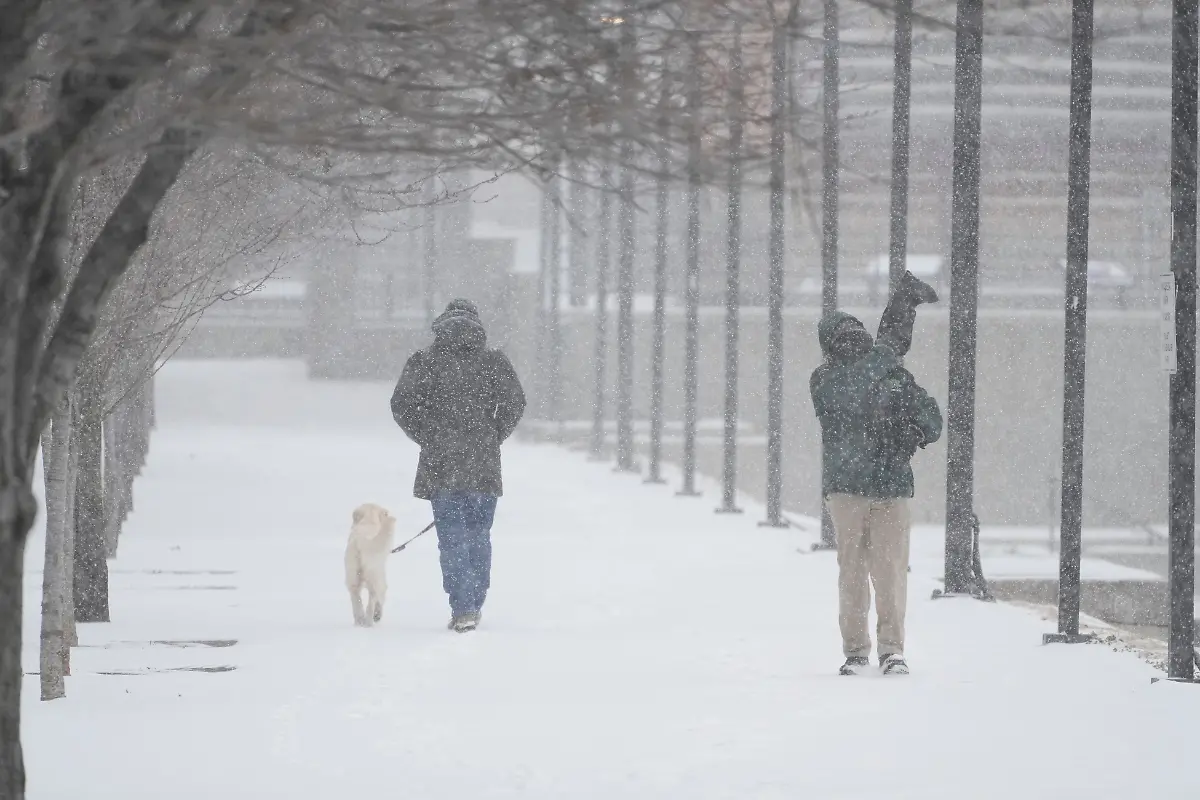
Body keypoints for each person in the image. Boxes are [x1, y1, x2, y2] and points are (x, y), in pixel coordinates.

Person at [810, 271, 943, 676]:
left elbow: (931, 421)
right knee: (879, 571)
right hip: (875, 486)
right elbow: (859, 389)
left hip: (860, 488)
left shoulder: (860, 374)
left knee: (866, 572)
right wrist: (888, 358)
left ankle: (872, 650)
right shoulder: (828, 380)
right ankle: (876, 651)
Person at [391, 299, 526, 633]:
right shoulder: (494, 361)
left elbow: (402, 405)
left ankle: (463, 606)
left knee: (451, 538)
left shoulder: (424, 362)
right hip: (483, 463)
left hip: (441, 463)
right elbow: (514, 402)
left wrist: (428, 435)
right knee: (478, 534)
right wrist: (493, 434)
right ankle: (475, 602)